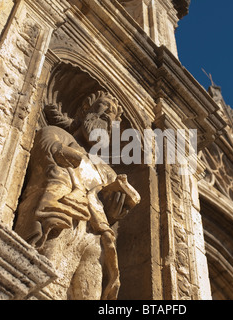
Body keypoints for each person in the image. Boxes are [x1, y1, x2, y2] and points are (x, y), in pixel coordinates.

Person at [14, 91, 140, 300]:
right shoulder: (58, 133)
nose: (107, 118)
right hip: (60, 214)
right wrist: (77, 157)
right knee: (41, 282)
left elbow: (104, 207)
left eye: (111, 122)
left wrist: (114, 210)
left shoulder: (106, 170)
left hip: (94, 237)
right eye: (103, 109)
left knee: (89, 292)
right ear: (84, 111)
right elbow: (47, 148)